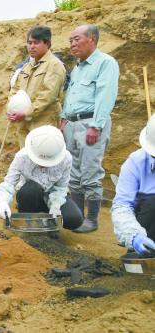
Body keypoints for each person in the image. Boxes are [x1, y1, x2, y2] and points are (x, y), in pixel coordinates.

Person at [60, 24, 119, 233]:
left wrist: (96, 125)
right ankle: (78, 218)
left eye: (76, 39)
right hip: (72, 124)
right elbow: (71, 96)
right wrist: (63, 118)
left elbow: (106, 96)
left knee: (90, 172)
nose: (72, 44)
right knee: (73, 173)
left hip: (90, 124)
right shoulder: (78, 68)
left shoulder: (105, 63)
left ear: (92, 39)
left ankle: (92, 220)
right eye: (70, 40)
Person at [0, 126, 83, 230]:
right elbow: (8, 184)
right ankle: (27, 220)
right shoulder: (22, 157)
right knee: (31, 189)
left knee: (74, 219)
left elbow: (61, 187)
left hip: (51, 195)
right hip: (29, 197)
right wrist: (2, 202)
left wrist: (56, 205)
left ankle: (49, 221)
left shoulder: (66, 159)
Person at [7, 26, 66, 148]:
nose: (32, 46)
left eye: (36, 43)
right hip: (23, 123)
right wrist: (12, 108)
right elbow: (15, 89)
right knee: (26, 158)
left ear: (47, 43)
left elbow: (47, 96)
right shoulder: (27, 66)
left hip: (43, 123)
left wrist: (25, 113)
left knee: (42, 159)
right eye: (29, 43)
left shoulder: (54, 65)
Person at [111, 115, 155, 255]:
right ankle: (144, 248)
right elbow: (121, 207)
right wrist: (133, 235)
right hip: (147, 220)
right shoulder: (135, 163)